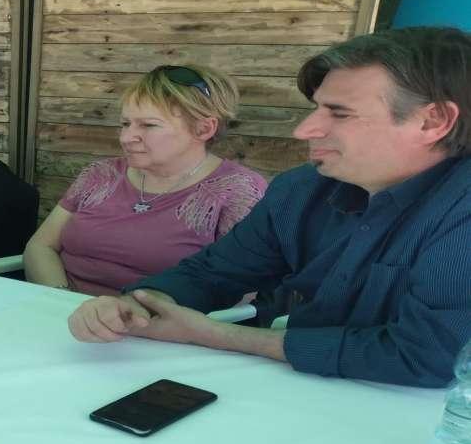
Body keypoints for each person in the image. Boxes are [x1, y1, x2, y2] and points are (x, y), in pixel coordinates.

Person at [67, 27, 471, 388]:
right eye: (317, 108)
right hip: (294, 391)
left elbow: (428, 356)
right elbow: (214, 271)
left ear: (432, 121)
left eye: (339, 113)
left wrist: (218, 335)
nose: (305, 129)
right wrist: (137, 305)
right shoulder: (302, 188)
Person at [24, 65, 267, 296]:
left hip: (157, 320)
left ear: (204, 129)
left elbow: (239, 289)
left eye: (149, 125)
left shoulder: (237, 191)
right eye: (125, 124)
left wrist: (128, 315)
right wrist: (61, 300)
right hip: (59, 309)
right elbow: (41, 246)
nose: (126, 137)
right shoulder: (102, 175)